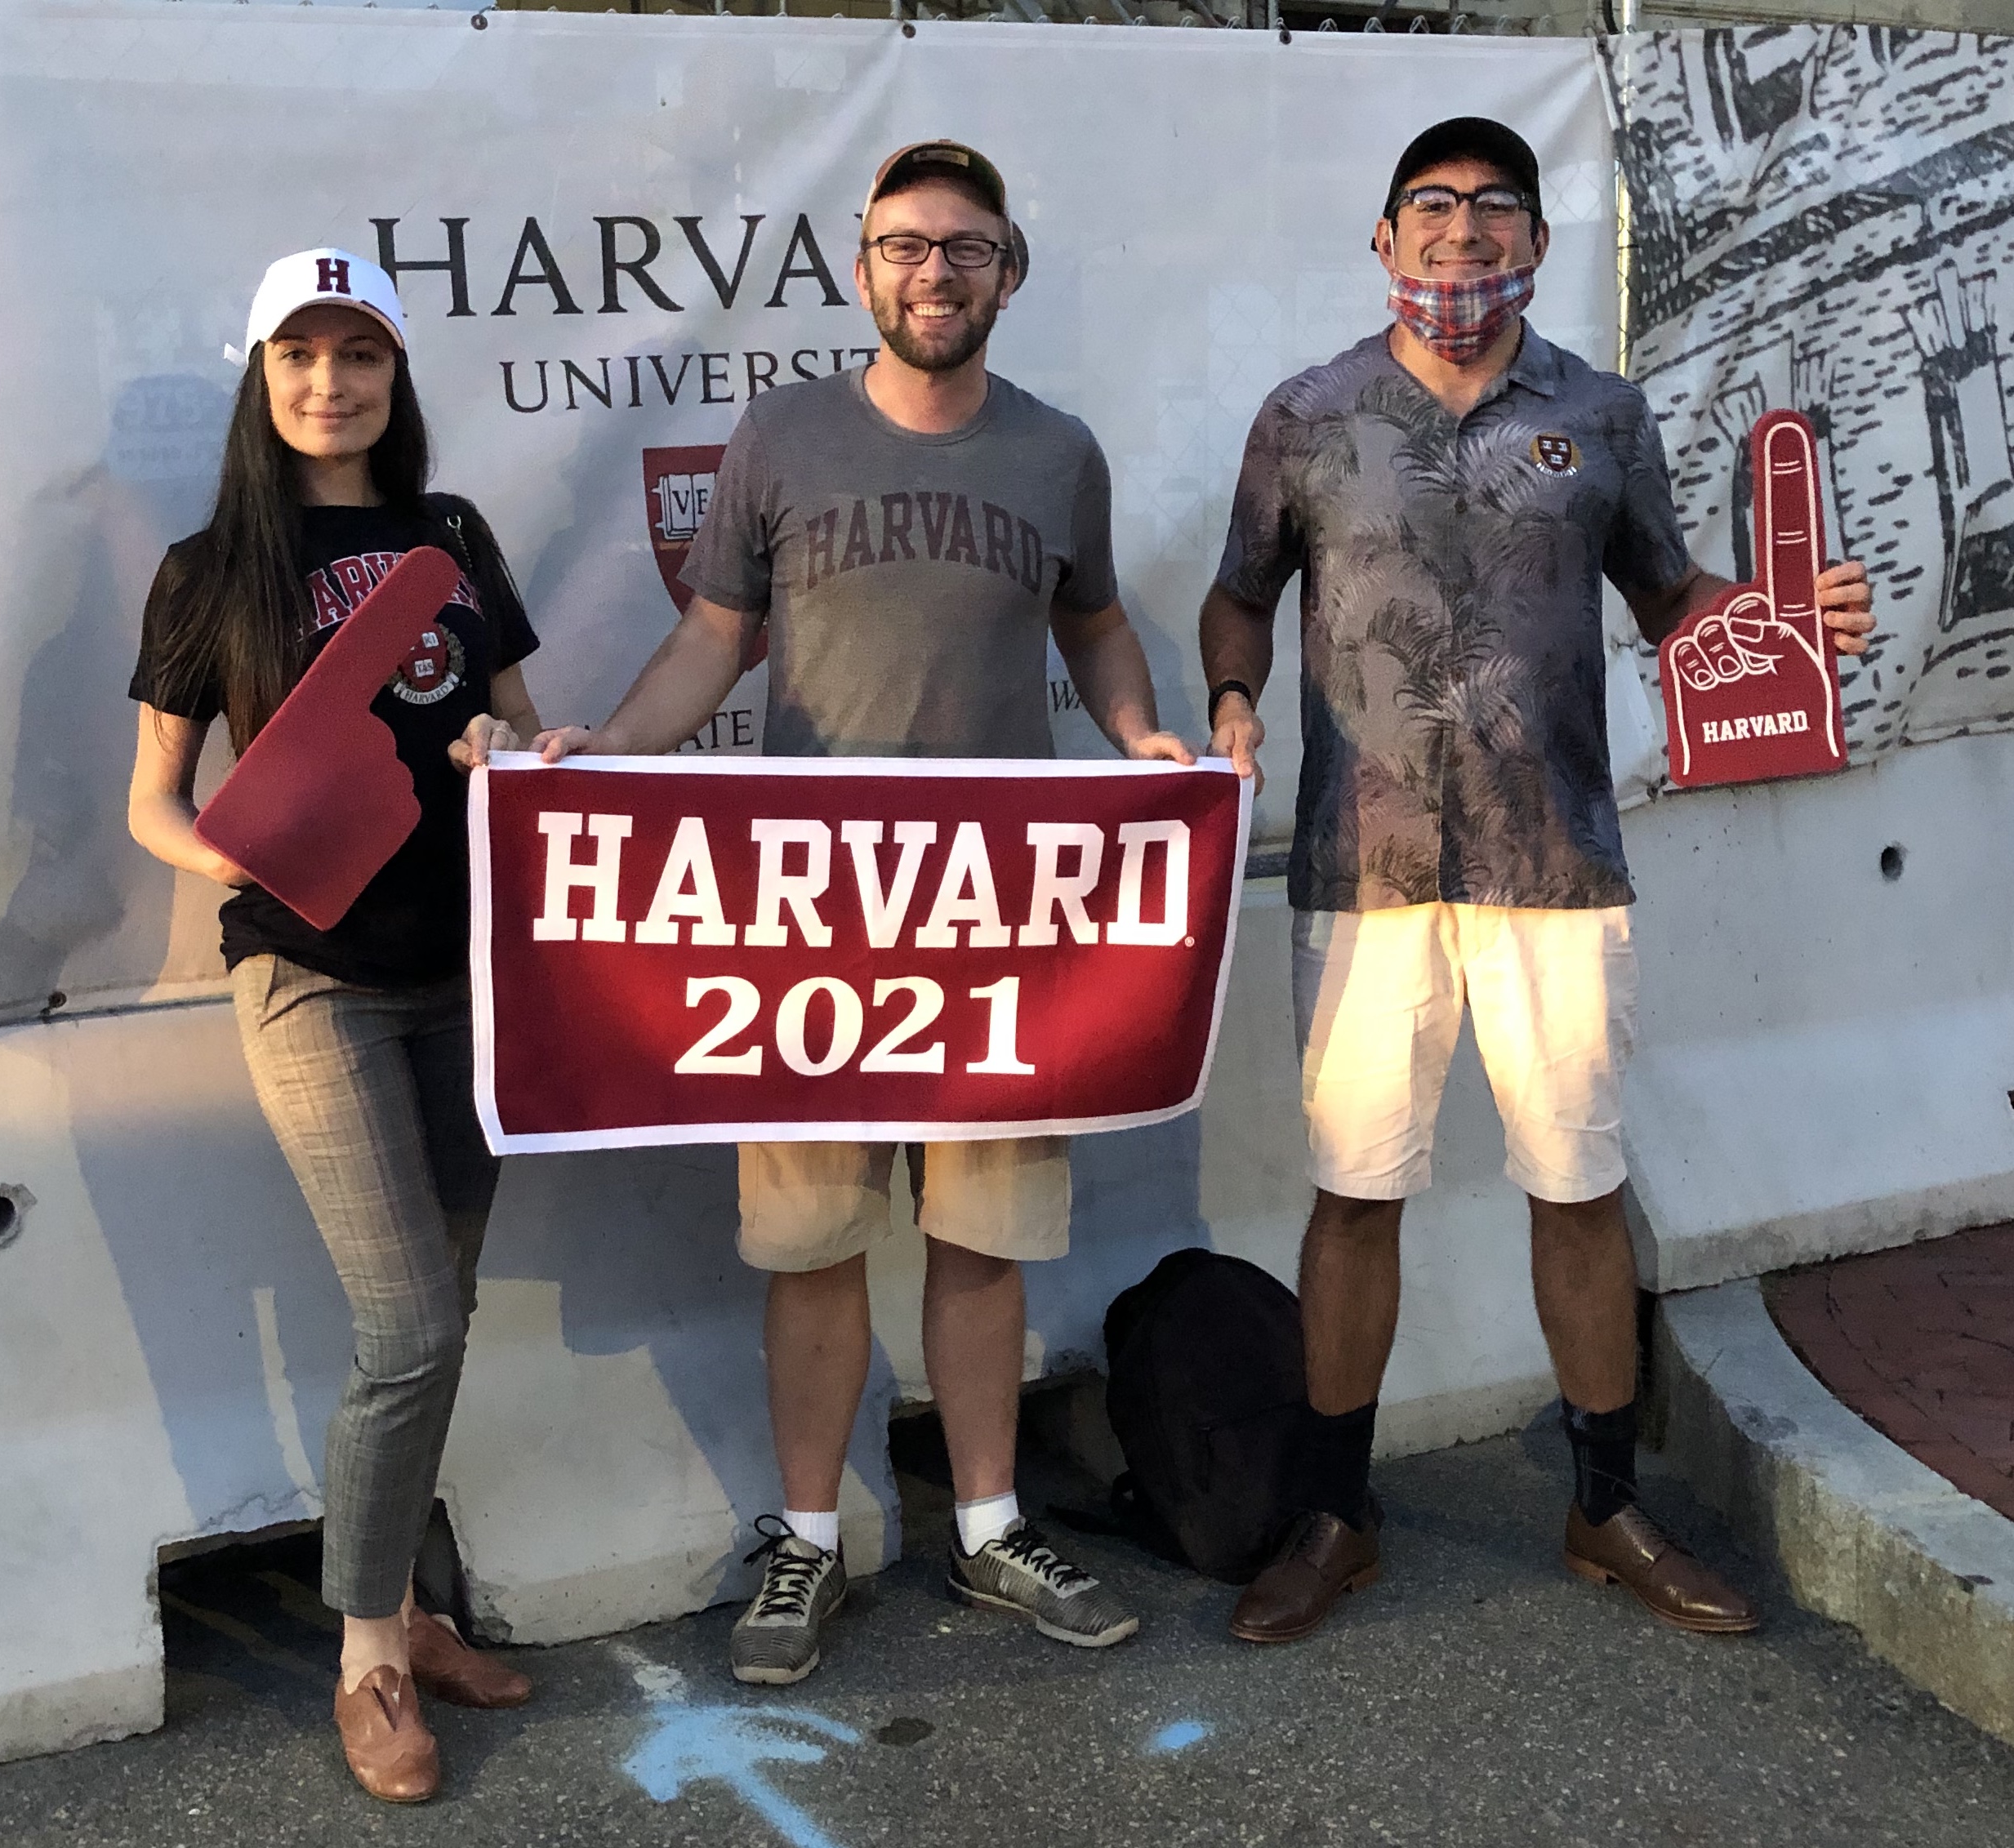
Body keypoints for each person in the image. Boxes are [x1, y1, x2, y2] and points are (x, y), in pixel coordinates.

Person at [520, 141, 1191, 1684]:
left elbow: (1091, 623)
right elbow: (712, 636)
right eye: (905, 246)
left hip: (1000, 922)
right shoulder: (779, 439)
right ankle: (807, 1545)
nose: (933, 273)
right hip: (812, 918)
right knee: (812, 1242)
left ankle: (987, 1528)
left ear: (1007, 270)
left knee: (983, 1235)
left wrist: (1138, 735)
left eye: (964, 248)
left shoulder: (1056, 454)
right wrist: (613, 756)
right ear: (860, 267)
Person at [1198, 119, 1875, 1645]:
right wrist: (1232, 703)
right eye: (1428, 210)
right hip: (1360, 867)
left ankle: (1601, 1507)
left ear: (1535, 244)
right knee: (1352, 1193)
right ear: (1383, 243)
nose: (1460, 235)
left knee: (1575, 1187)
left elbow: (1669, 594)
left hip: (1554, 860)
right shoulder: (1306, 415)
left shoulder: (1600, 412)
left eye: (1494, 210)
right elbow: (1239, 594)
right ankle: (1333, 1514)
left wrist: (1773, 618)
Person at [127, 248, 544, 1801]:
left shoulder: (448, 535)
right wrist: (235, 846)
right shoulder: (208, 566)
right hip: (309, 973)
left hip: (474, 971)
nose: (329, 384)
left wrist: (510, 748)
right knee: (409, 1328)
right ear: (259, 379)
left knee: (441, 1310)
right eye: (298, 357)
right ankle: (370, 1652)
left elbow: (509, 716)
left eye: (358, 353)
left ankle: (411, 1614)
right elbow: (152, 806)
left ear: (395, 374)